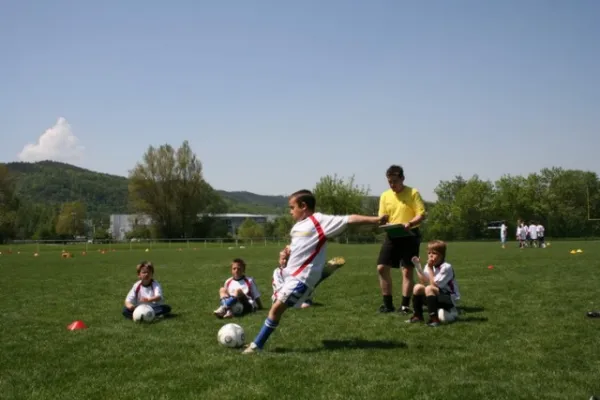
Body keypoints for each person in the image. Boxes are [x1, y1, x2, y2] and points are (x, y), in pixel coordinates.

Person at [243, 189, 388, 354]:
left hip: (302, 277)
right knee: (277, 293)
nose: (290, 212)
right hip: (289, 273)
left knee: (276, 309)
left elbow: (349, 219)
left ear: (303, 206)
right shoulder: (297, 227)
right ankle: (320, 276)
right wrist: (286, 252)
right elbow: (298, 246)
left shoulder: (319, 220)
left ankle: (257, 345)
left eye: (292, 207)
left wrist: (375, 219)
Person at [376, 165, 426, 314]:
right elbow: (382, 217)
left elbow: (421, 214)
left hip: (410, 235)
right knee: (381, 267)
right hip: (392, 235)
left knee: (407, 271)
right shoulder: (385, 196)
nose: (392, 185)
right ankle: (387, 305)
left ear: (403, 178)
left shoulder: (413, 193)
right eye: (389, 182)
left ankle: (404, 306)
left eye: (395, 181)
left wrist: (410, 223)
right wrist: (382, 221)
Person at [406, 240, 460, 327]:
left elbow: (434, 285)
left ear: (442, 255)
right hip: (437, 295)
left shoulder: (446, 267)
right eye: (429, 253)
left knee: (429, 288)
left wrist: (431, 269)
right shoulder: (429, 265)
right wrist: (417, 266)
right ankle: (418, 316)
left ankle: (434, 319)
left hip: (449, 298)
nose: (430, 255)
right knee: (417, 287)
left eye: (434, 253)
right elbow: (423, 281)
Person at [272, 245, 346, 308]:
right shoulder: (278, 272)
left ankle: (325, 271)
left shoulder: (298, 269)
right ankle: (324, 272)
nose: (284, 261)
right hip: (280, 298)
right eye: (283, 259)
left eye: (287, 259)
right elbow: (280, 290)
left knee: (309, 279)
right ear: (279, 260)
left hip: (298, 296)